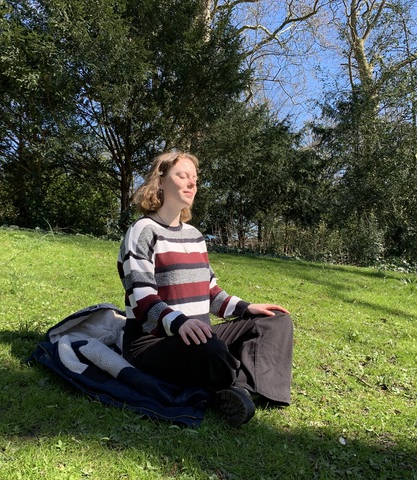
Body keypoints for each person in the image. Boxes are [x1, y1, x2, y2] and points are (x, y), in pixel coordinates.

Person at [117, 150, 293, 426]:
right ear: (160, 181)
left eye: (195, 179)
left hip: (198, 333)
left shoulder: (195, 235)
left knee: (274, 321)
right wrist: (179, 324)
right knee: (208, 347)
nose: (191, 184)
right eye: (182, 176)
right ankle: (233, 384)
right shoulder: (142, 230)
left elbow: (210, 292)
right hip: (153, 341)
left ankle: (244, 390)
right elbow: (141, 296)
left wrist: (248, 308)